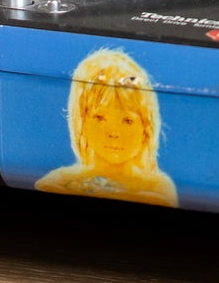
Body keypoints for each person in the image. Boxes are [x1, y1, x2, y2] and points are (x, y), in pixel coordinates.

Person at [35, 48, 178, 206]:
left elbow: (159, 201)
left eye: (127, 121)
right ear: (81, 121)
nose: (114, 132)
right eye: (100, 118)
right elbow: (43, 187)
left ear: (146, 128)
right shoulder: (63, 178)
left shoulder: (156, 186)